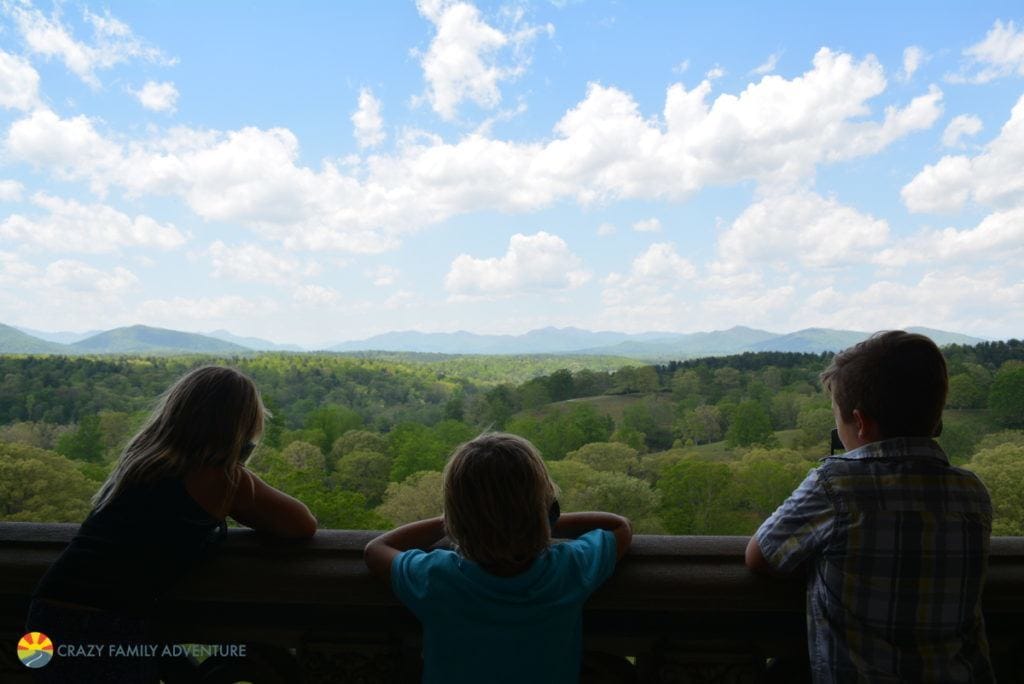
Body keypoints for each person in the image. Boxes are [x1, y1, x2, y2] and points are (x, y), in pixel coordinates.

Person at [26, 365, 318, 683]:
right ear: (241, 427)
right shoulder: (224, 479)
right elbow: (301, 524)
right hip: (109, 624)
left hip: (46, 613)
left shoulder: (141, 461)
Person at [745, 331, 994, 683]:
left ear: (860, 422)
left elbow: (761, 556)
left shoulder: (836, 485)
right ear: (936, 417)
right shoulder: (971, 492)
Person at [364, 432, 632, 684]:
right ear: (546, 510)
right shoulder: (569, 569)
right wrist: (535, 521)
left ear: (457, 517)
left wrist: (465, 518)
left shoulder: (435, 578)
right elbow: (619, 527)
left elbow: (377, 549)